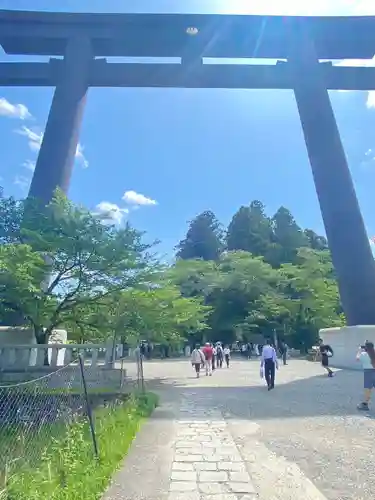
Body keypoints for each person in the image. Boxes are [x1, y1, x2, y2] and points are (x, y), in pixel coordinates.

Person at [356, 341, 375, 411]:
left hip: (368, 373)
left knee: (368, 390)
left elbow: (357, 358)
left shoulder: (363, 354)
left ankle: (365, 404)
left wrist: (359, 350)